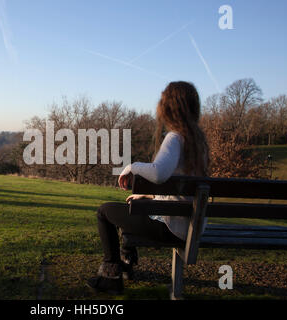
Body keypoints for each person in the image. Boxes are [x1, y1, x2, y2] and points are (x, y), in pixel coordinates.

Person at [87, 81, 210, 294]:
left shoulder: (175, 138)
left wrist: (131, 166)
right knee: (136, 203)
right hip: (192, 225)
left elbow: (159, 172)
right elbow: (181, 190)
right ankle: (126, 263)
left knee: (104, 212)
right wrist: (149, 195)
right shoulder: (199, 143)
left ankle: (111, 277)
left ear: (168, 107)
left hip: (172, 229)